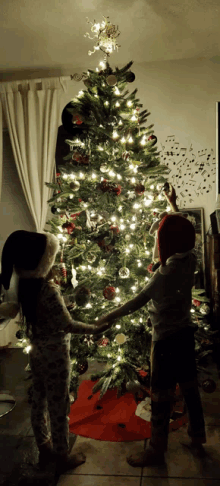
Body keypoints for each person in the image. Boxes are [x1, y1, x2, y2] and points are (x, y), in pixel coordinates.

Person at [94, 184, 206, 467]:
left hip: (165, 341)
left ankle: (156, 450)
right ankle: (197, 438)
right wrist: (173, 203)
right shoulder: (189, 260)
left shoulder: (163, 275)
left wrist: (106, 318)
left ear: (164, 243)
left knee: (161, 394)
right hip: (185, 335)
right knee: (190, 388)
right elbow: (180, 231)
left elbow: (135, 302)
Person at [0, 230, 113, 474]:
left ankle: (44, 445)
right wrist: (95, 329)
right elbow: (67, 324)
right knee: (59, 405)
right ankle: (63, 455)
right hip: (56, 355)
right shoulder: (49, 290)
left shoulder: (26, 286)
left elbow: (46, 314)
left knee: (38, 399)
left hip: (37, 352)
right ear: (44, 261)